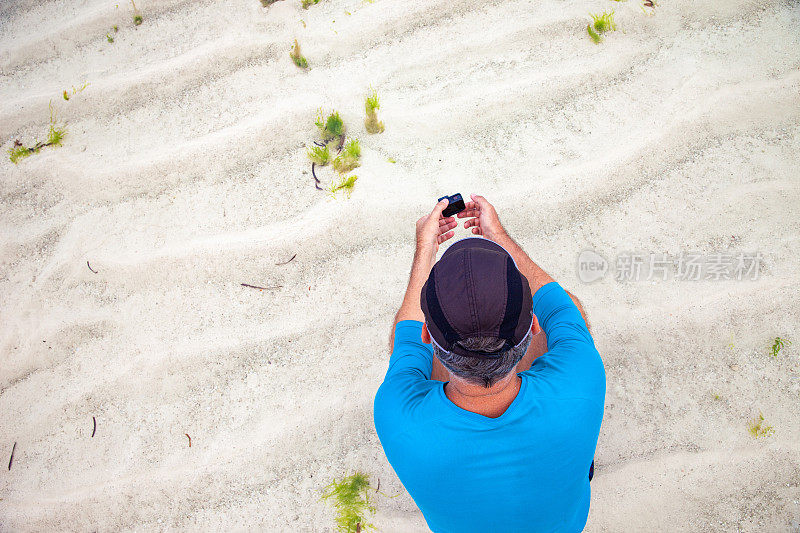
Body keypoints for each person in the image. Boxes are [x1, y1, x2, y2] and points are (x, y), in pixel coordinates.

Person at [373, 195, 606, 532]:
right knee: (572, 319)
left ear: (427, 333)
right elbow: (559, 306)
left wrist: (425, 247)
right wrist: (496, 234)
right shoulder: (582, 378)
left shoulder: (397, 416)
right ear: (534, 324)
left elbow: (406, 336)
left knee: (407, 364)